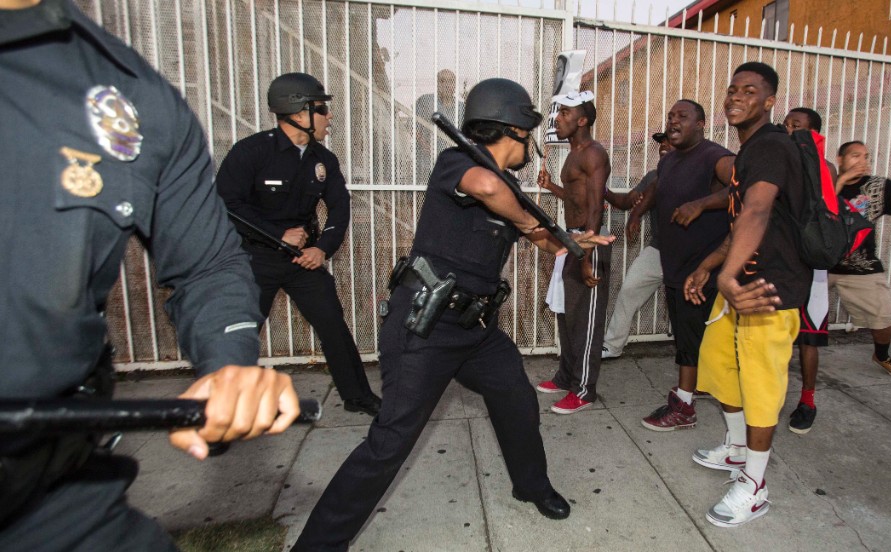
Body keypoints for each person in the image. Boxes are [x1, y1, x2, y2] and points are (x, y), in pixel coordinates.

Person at [0, 1, 300, 550]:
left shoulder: (131, 95)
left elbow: (207, 261)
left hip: (49, 485)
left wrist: (229, 364)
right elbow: (240, 205)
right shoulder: (257, 151)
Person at [292, 78, 614, 551]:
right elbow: (487, 188)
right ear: (513, 130)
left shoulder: (508, 188)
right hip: (425, 325)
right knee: (391, 441)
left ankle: (530, 486)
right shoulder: (459, 164)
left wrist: (571, 241)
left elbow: (543, 239)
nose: (532, 143)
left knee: (517, 400)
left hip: (476, 328)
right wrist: (530, 220)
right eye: (528, 130)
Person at [683, 62, 810, 527]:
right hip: (740, 280)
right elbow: (742, 224)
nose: (736, 97)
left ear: (770, 101)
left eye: (750, 91)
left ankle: (755, 487)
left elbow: (757, 210)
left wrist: (726, 277)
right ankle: (737, 449)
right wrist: (709, 265)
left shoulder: (772, 145)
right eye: (732, 89)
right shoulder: (752, 148)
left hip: (766, 290)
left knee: (760, 388)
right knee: (719, 364)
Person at [216, 72, 382, 416]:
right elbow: (227, 204)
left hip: (303, 261)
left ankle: (358, 396)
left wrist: (322, 249)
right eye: (321, 109)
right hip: (255, 259)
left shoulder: (323, 160)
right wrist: (276, 236)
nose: (329, 116)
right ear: (297, 113)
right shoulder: (252, 152)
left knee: (333, 325)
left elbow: (339, 206)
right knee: (241, 334)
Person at [626, 100, 735, 432]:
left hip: (703, 270)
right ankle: (690, 394)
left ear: (701, 124)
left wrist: (702, 204)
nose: (673, 121)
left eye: (682, 116)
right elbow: (650, 198)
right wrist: (633, 212)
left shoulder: (715, 156)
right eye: (670, 116)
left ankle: (685, 406)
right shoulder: (669, 161)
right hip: (675, 267)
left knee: (694, 343)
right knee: (688, 340)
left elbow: (750, 188)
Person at [535, 90, 613, 415]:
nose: (558, 118)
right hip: (572, 240)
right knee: (566, 314)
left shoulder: (594, 153)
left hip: (588, 242)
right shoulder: (574, 152)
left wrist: (587, 255)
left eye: (565, 114)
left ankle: (584, 390)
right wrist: (552, 186)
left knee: (586, 322)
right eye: (558, 113)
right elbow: (575, 195)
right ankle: (567, 376)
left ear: (582, 120)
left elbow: (595, 207)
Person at [829, 140, 891, 380]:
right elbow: (817, 210)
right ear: (840, 159)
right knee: (792, 310)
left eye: (866, 156)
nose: (862, 161)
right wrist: (841, 183)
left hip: (860, 265)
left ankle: (882, 355)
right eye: (855, 156)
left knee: (882, 315)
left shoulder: (876, 186)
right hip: (819, 264)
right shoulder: (824, 183)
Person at [781, 107, 838, 434]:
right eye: (787, 124)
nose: (789, 130)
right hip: (782, 262)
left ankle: (807, 401)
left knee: (809, 337)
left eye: (797, 126)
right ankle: (767, 398)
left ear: (813, 133)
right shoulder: (781, 161)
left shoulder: (823, 167)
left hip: (812, 266)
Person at [599, 133, 672, 360]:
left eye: (669, 141)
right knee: (629, 289)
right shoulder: (652, 176)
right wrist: (602, 190)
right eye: (661, 142)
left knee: (691, 306)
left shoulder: (694, 173)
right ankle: (612, 346)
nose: (664, 146)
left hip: (690, 252)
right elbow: (626, 201)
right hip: (659, 250)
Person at [414, 69, 466, 182]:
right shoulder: (426, 101)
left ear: (455, 85)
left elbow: (465, 135)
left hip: (453, 162)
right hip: (427, 162)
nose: (447, 85)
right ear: (437, 84)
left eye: (450, 81)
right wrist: (427, 147)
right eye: (442, 81)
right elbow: (414, 128)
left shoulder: (461, 108)